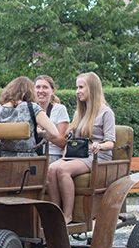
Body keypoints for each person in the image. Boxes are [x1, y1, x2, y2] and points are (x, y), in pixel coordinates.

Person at [46, 72, 115, 224]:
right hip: (78, 153)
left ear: (92, 88)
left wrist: (100, 145)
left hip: (96, 155)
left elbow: (111, 143)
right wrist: (64, 156)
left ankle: (68, 215)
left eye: (81, 87)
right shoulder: (79, 112)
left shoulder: (106, 112)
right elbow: (72, 140)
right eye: (77, 87)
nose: (77, 91)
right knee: (51, 169)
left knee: (63, 170)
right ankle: (55, 213)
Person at [0, 77, 59, 157]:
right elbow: (54, 133)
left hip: (2, 160)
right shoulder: (32, 108)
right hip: (28, 160)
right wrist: (38, 133)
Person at [35, 75, 70, 163]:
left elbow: (62, 142)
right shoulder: (29, 108)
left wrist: (42, 133)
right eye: (38, 87)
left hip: (53, 155)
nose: (41, 91)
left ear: (53, 91)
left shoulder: (60, 109)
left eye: (45, 87)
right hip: (33, 153)